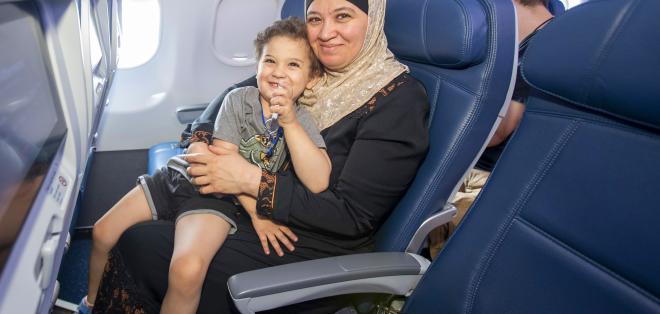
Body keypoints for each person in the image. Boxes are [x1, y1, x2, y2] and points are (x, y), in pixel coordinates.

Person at [91, 0, 430, 312]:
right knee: (130, 231)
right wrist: (199, 146)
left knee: (142, 245)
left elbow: (351, 217)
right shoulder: (305, 68)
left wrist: (250, 180)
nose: (326, 33)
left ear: (372, 22)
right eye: (315, 18)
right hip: (262, 205)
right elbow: (230, 100)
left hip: (314, 244)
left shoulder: (399, 101)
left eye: (343, 16)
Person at [79, 17, 331, 314]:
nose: (278, 72)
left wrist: (289, 124)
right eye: (270, 61)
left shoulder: (302, 123)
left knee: (186, 270)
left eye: (293, 65)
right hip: (180, 177)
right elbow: (222, 164)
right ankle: (91, 305)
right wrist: (258, 215)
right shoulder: (238, 100)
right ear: (258, 65)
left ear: (312, 78)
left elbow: (318, 181)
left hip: (216, 199)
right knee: (102, 232)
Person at [428, 0, 554, 258]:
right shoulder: (501, 38)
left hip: (482, 181)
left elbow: (495, 132)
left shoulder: (548, 46)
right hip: (463, 165)